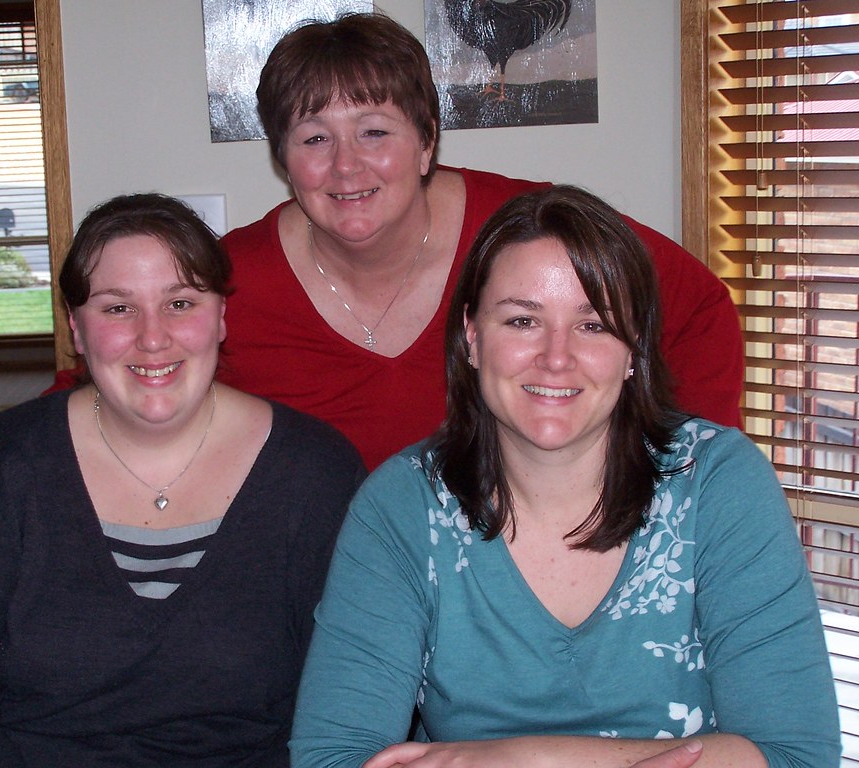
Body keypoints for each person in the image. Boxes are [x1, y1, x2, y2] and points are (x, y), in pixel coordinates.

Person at [289, 186, 840, 768]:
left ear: (634, 351)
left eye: (594, 325)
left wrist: (493, 761)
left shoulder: (717, 483)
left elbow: (797, 755)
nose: (556, 357)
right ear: (472, 338)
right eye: (523, 320)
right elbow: (334, 757)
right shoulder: (401, 505)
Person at [0, 194, 366, 767]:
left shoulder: (315, 474)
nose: (153, 337)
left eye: (181, 302)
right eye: (117, 308)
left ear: (222, 318)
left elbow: (349, 708)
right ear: (75, 329)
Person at [216, 12, 744, 470]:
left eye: (374, 131)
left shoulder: (528, 232)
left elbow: (696, 309)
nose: (346, 164)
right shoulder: (226, 282)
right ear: (284, 159)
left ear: (426, 142)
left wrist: (677, 480)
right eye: (314, 138)